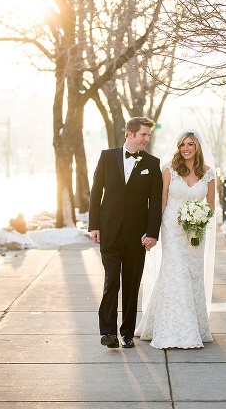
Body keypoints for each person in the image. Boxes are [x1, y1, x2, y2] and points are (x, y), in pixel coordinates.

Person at [135, 129, 217, 349]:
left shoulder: (208, 174)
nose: (186, 148)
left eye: (190, 144)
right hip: (171, 226)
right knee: (176, 273)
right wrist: (153, 230)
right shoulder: (169, 169)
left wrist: (200, 221)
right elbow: (161, 201)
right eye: (183, 145)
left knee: (192, 275)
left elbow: (211, 207)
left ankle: (195, 326)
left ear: (197, 147)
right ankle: (175, 330)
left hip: (195, 230)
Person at [89, 117, 162, 349]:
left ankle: (127, 333)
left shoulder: (152, 163)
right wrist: (94, 225)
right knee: (111, 282)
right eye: (143, 135)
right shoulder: (107, 157)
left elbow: (155, 201)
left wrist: (152, 233)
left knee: (131, 285)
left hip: (136, 236)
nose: (147, 139)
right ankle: (107, 332)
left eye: (149, 136)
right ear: (130, 134)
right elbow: (95, 194)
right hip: (109, 231)